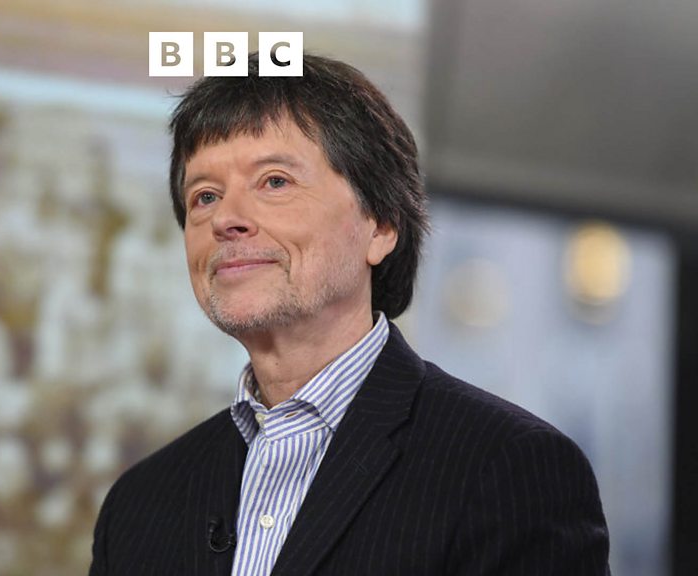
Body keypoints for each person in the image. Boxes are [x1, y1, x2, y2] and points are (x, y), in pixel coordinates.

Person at [89, 54, 610, 575]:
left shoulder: (508, 467)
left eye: (274, 182)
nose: (226, 219)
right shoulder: (137, 507)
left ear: (380, 225)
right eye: (205, 196)